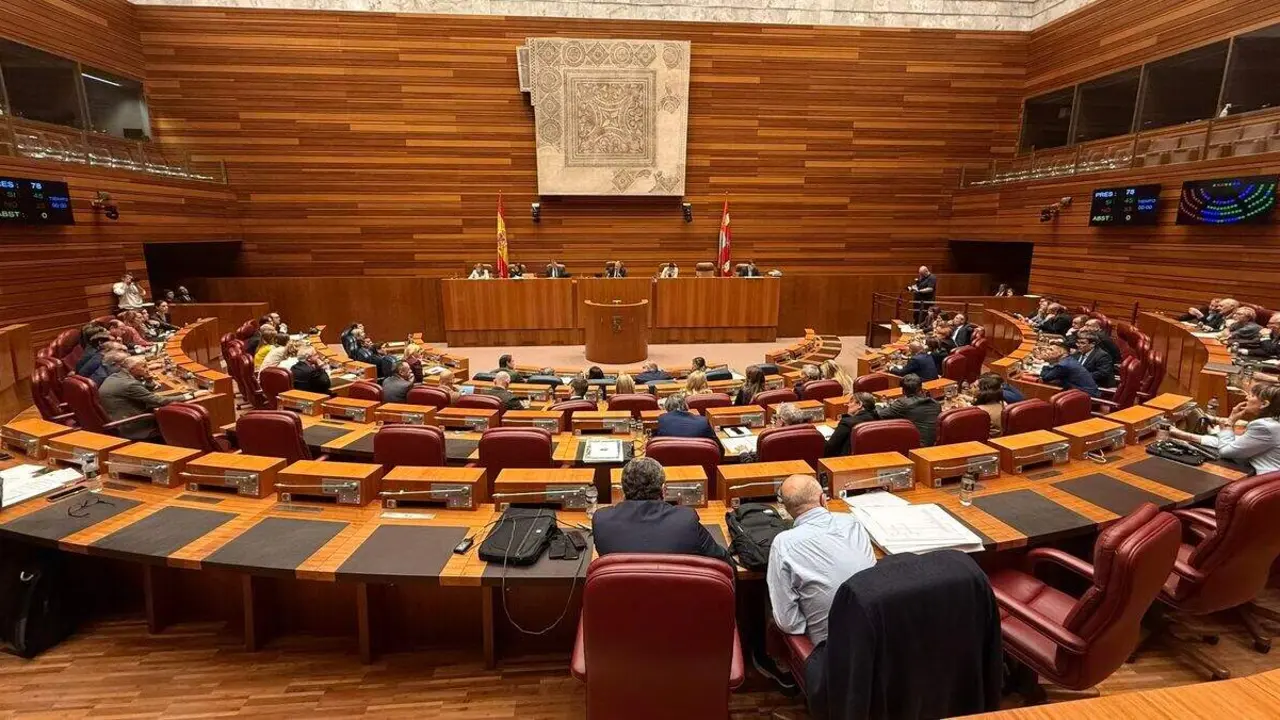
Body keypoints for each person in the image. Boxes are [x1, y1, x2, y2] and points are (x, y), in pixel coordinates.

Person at [767, 474, 875, 648]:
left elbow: (788, 623)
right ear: (822, 499)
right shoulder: (852, 523)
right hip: (876, 639)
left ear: (786, 510)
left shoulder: (783, 543)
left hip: (828, 653)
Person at [592, 457, 732, 562]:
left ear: (623, 490)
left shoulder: (602, 520)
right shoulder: (685, 519)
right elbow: (722, 560)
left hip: (620, 598)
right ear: (664, 490)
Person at [1171, 383, 1280, 475]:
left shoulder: (1264, 427)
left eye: (1251, 396)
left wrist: (1230, 423)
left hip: (1262, 483)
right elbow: (1236, 443)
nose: (1246, 398)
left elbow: (1226, 451)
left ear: (1264, 404)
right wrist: (1183, 435)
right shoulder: (1272, 424)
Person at [99, 356, 194, 441]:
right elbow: (159, 401)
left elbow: (140, 393)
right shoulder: (129, 384)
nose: (147, 369)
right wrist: (190, 395)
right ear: (133, 369)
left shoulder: (116, 376)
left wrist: (149, 380)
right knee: (179, 419)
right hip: (132, 426)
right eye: (143, 367)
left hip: (118, 417)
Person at [877, 374, 941, 446]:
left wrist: (881, 405)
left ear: (903, 391)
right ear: (921, 388)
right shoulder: (936, 404)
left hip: (917, 447)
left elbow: (879, 415)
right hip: (934, 445)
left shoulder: (903, 403)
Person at [1030, 342, 1098, 397]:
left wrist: (1046, 361)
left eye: (1051, 350)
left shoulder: (1063, 365)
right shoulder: (1068, 360)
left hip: (1086, 398)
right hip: (1081, 393)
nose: (1047, 352)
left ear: (1063, 353)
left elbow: (1045, 378)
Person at [653, 393, 719, 442]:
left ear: (667, 408)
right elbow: (718, 448)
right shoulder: (703, 421)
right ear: (686, 406)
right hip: (699, 459)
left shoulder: (662, 419)